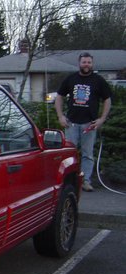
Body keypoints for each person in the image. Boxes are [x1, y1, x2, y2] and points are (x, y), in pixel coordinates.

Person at [55, 52, 112, 192]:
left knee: (87, 154)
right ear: (79, 63)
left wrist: (102, 119)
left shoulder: (98, 81)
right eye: (84, 62)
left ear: (92, 64)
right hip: (71, 123)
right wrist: (60, 116)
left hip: (89, 124)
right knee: (69, 154)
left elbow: (107, 99)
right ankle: (69, 181)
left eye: (89, 62)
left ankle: (85, 181)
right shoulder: (71, 79)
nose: (86, 65)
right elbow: (59, 96)